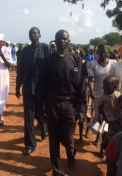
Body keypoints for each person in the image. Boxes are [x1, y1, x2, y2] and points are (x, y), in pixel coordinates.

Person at [36, 29, 86, 174]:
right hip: (52, 104)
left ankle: (71, 154)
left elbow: (81, 85)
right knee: (54, 140)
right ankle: (57, 170)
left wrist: (82, 108)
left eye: (64, 39)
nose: (62, 41)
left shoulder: (76, 59)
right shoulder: (47, 61)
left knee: (68, 138)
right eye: (59, 39)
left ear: (69, 41)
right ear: (55, 41)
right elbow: (41, 86)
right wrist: (39, 109)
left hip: (70, 105)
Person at [16, 27, 51, 156]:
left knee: (41, 113)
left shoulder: (46, 49)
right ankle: (30, 144)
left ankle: (44, 127)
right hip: (28, 89)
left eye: (35, 33)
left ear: (40, 35)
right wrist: (17, 85)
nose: (33, 35)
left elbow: (50, 68)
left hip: (42, 89)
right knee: (28, 117)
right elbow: (21, 70)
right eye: (31, 33)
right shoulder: (25, 50)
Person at [87, 44, 117, 146]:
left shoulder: (113, 63)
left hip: (110, 94)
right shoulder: (93, 64)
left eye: (106, 52)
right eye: (101, 52)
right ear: (97, 53)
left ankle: (104, 138)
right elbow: (91, 80)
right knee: (99, 114)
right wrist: (91, 91)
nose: (104, 54)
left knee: (108, 115)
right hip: (98, 93)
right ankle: (98, 136)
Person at [0, 33, 15, 126]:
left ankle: (1, 117)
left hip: (3, 75)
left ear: (1, 43)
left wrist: (2, 56)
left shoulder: (6, 50)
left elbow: (9, 65)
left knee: (2, 95)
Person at [97, 75, 120, 157]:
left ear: (114, 87)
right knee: (105, 134)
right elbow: (100, 107)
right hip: (107, 119)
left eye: (106, 85)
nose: (104, 87)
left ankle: (112, 150)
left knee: (114, 135)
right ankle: (102, 149)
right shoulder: (103, 97)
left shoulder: (118, 95)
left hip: (116, 119)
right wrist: (100, 115)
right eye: (104, 85)